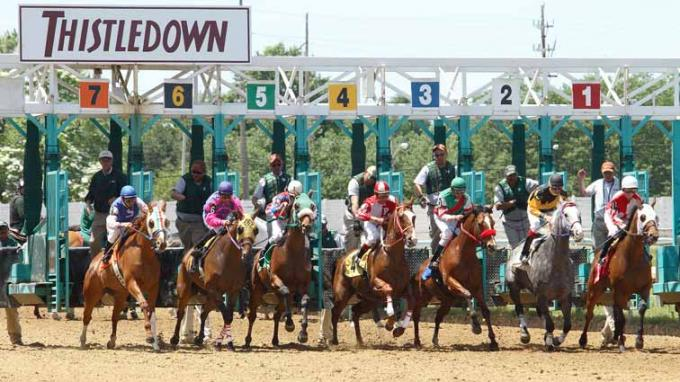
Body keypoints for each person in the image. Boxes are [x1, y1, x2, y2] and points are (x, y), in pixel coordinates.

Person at [422, 177, 473, 280]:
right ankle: (433, 262)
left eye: (461, 191)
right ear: (452, 189)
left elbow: (468, 210)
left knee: (462, 236)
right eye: (457, 191)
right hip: (442, 218)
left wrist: (462, 215)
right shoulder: (444, 195)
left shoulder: (466, 198)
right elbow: (442, 214)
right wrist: (455, 217)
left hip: (456, 218)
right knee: (447, 233)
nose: (459, 194)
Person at [187, 181, 244, 273]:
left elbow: (241, 214)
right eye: (223, 197)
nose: (226, 199)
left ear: (231, 195)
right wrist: (222, 222)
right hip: (211, 218)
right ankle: (198, 251)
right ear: (219, 194)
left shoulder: (235, 200)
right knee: (220, 231)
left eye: (228, 197)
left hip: (226, 216)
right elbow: (210, 219)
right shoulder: (213, 201)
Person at [414, 144, 456, 253]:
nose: (439, 157)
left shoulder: (452, 168)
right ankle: (434, 257)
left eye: (441, 154)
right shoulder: (428, 168)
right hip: (434, 208)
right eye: (436, 155)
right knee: (436, 233)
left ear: (446, 154)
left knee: (452, 231)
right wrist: (421, 197)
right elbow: (417, 183)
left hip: (449, 207)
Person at [85, 150, 128, 257]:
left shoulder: (120, 176)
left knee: (119, 241)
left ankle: (116, 263)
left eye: (108, 160)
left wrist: (117, 199)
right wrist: (88, 205)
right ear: (100, 161)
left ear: (112, 161)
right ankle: (95, 265)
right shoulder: (96, 177)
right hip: (99, 215)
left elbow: (128, 195)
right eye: (103, 160)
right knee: (93, 241)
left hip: (116, 216)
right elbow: (90, 195)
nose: (105, 162)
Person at [520, 174, 568, 264]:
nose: (557, 191)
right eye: (554, 188)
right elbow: (532, 209)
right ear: (550, 186)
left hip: (550, 209)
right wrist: (545, 217)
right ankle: (524, 253)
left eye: (560, 188)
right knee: (535, 226)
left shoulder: (563, 194)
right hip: (534, 209)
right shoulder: (540, 193)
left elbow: (564, 206)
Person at [599, 175, 643, 265]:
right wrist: (621, 225)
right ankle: (602, 256)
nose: (631, 194)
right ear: (623, 189)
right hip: (611, 216)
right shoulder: (617, 197)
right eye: (628, 191)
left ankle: (644, 254)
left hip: (624, 217)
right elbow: (613, 215)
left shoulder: (637, 198)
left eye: (633, 190)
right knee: (614, 232)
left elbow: (642, 210)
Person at [577, 161, 620, 250]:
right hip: (599, 221)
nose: (607, 175)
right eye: (605, 173)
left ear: (614, 172)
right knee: (598, 250)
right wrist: (581, 180)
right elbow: (583, 193)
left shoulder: (619, 183)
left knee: (615, 249)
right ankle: (598, 263)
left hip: (614, 221)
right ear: (602, 172)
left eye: (609, 173)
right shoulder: (597, 183)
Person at [494, 165, 538, 249]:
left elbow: (539, 187)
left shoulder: (526, 182)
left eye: (514, 175)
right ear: (505, 176)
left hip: (526, 220)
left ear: (517, 174)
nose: (512, 178)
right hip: (510, 223)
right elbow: (497, 206)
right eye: (509, 176)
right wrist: (509, 204)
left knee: (530, 245)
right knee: (516, 247)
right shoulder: (500, 187)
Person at [171, 160, 212, 251]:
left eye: (198, 173)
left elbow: (214, 197)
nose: (195, 175)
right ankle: (187, 263)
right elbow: (173, 193)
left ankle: (196, 264)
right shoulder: (184, 179)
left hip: (199, 222)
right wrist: (181, 197)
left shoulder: (208, 181)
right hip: (183, 222)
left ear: (204, 173)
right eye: (193, 172)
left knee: (198, 245)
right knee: (188, 247)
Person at [102, 185, 148, 264]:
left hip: (131, 222)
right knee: (114, 234)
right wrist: (123, 224)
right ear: (122, 199)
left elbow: (147, 210)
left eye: (133, 200)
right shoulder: (116, 206)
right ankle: (107, 253)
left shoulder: (138, 201)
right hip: (118, 224)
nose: (131, 203)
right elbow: (111, 223)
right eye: (128, 201)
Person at [354, 181, 398, 263]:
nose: (384, 199)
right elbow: (358, 213)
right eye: (382, 196)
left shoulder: (393, 200)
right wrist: (375, 219)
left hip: (383, 225)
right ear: (376, 194)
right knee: (373, 237)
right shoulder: (369, 202)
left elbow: (397, 211)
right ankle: (359, 255)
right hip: (370, 223)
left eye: (386, 195)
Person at [252, 153, 291, 239]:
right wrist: (259, 208)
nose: (276, 167)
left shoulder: (289, 179)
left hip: (287, 212)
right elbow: (254, 198)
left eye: (278, 164)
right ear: (270, 166)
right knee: (275, 236)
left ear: (282, 165)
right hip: (271, 212)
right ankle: (266, 251)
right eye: (274, 165)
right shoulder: (264, 179)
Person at [261, 180, 304, 257]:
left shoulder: (301, 199)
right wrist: (281, 208)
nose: (294, 199)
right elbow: (275, 211)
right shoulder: (280, 197)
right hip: (273, 215)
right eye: (292, 197)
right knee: (278, 236)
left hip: (285, 217)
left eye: (296, 197)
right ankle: (265, 250)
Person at [343, 165, 378, 252]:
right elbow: (355, 203)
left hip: (368, 216)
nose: (371, 180)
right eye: (370, 177)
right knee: (352, 245)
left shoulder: (376, 184)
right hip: (353, 215)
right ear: (365, 173)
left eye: (373, 179)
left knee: (371, 241)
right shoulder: (355, 182)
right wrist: (357, 220)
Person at [1, 221, 22, 345]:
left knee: (11, 309)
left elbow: (18, 258)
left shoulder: (13, 243)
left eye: (4, 231)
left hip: (6, 280)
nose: (2, 234)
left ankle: (15, 337)